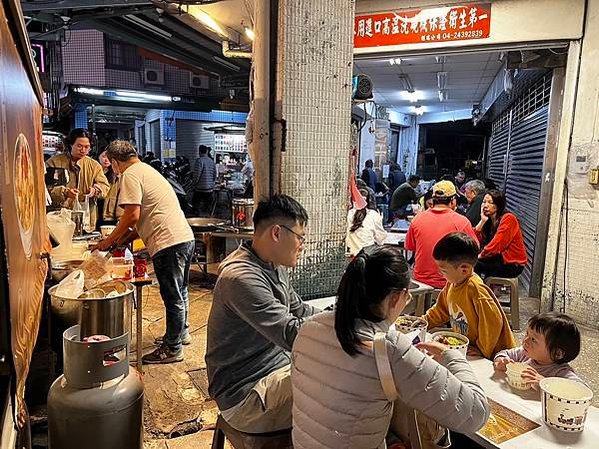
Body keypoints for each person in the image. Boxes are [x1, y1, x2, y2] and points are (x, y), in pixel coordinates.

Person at [291, 245, 490, 449]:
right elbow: (476, 413)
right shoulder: (388, 349)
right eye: (407, 297)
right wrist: (452, 356)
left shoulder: (309, 327)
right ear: (395, 298)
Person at [205, 195, 319, 433]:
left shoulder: (272, 264)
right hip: (246, 396)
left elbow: (300, 310)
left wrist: (338, 315)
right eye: (300, 237)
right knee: (342, 384)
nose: (302, 245)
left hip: (275, 372)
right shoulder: (241, 277)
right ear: (277, 233)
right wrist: (347, 324)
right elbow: (291, 332)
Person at [95, 141, 194, 364]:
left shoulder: (130, 175)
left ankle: (172, 349)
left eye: (111, 165)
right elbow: (143, 222)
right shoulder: (147, 170)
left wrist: (108, 241)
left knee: (173, 297)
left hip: (168, 244)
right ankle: (180, 334)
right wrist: (120, 242)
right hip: (184, 238)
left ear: (116, 162)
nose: (113, 170)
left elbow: (132, 216)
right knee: (182, 292)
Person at [423, 232, 517, 359]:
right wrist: (424, 322)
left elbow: (493, 322)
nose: (440, 274)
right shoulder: (452, 284)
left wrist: (481, 349)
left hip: (493, 356)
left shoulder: (476, 289)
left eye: (443, 270)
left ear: (464, 270)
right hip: (467, 348)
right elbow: (441, 310)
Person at [405, 180, 478, 289]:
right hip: (451, 284)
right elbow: (474, 250)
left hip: (421, 283)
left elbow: (409, 246)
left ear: (433, 200)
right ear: (453, 200)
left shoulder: (417, 219)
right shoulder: (462, 222)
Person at [494, 312, 583, 389]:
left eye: (533, 339)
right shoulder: (524, 353)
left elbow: (581, 390)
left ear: (557, 353)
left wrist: (545, 384)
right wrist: (501, 361)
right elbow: (504, 353)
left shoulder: (561, 372)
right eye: (527, 334)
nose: (525, 340)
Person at [46, 128, 110, 229]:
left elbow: (105, 187)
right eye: (79, 146)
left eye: (87, 147)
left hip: (86, 219)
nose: (83, 150)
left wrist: (95, 190)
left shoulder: (94, 165)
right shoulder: (53, 162)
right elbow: (45, 190)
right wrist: (64, 192)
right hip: (59, 218)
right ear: (71, 144)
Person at [474, 189, 527, 278]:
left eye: (490, 202)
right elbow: (474, 238)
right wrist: (482, 221)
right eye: (484, 202)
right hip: (497, 259)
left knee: (475, 265)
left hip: (511, 264)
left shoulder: (509, 219)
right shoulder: (488, 221)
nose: (485, 205)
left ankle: (479, 291)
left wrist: (480, 255)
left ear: (498, 205)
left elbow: (497, 244)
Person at [345, 188, 387, 257]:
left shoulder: (348, 214)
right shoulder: (373, 214)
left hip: (350, 255)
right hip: (368, 255)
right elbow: (381, 239)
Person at [192, 145, 217, 216]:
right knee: (208, 207)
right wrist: (212, 184)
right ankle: (208, 220)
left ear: (199, 151)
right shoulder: (212, 161)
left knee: (196, 204)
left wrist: (194, 184)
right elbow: (215, 175)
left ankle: (197, 219)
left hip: (200, 189)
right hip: (209, 189)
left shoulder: (199, 161)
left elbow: (197, 175)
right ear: (206, 151)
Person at [97, 150, 120, 226]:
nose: (106, 159)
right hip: (96, 209)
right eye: (103, 156)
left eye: (109, 157)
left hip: (109, 212)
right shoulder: (94, 172)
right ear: (98, 156)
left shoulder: (116, 175)